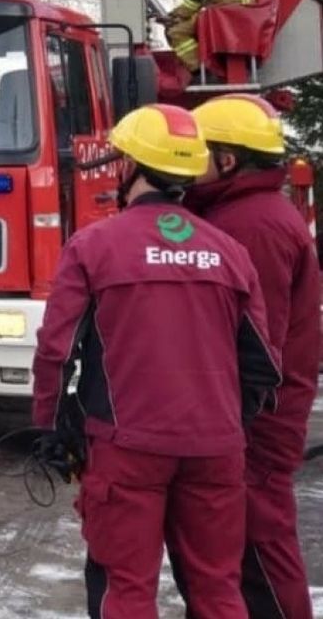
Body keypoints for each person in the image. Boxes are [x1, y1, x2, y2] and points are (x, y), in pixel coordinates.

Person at [32, 103, 281, 619]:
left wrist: (55, 429)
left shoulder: (93, 247)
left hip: (127, 448)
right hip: (216, 448)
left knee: (125, 588)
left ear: (129, 167)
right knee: (217, 589)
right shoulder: (229, 251)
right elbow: (261, 360)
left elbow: (57, 352)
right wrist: (228, 422)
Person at [172, 94, 320, 619]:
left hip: (256, 421)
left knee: (258, 545)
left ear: (228, 160)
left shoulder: (250, 226)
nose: (185, 164)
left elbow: (253, 342)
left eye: (197, 153)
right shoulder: (244, 212)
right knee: (232, 550)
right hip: (253, 415)